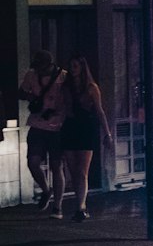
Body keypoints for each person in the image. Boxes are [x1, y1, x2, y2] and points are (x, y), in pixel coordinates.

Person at [58, 54, 111, 222]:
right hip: (70, 127)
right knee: (73, 170)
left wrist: (107, 133)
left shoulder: (91, 87)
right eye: (71, 65)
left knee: (82, 171)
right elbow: (63, 108)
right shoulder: (65, 87)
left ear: (82, 68)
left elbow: (99, 111)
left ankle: (81, 206)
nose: (73, 69)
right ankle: (79, 203)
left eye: (76, 66)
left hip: (86, 128)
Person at [18, 50, 68, 213]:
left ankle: (57, 206)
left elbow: (69, 99)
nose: (38, 70)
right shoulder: (31, 76)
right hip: (37, 124)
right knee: (32, 162)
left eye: (41, 67)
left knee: (56, 166)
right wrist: (31, 97)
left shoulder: (63, 77)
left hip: (57, 126)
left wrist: (57, 110)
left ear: (49, 65)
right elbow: (21, 92)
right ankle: (46, 190)